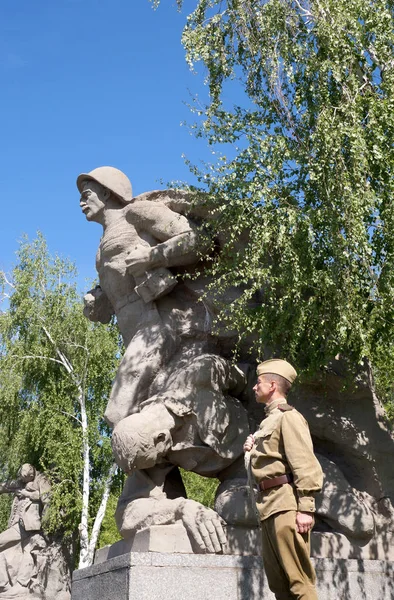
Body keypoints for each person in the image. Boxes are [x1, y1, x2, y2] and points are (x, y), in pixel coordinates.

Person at [77, 166, 205, 427]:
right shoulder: (101, 248)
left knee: (119, 415)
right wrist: (99, 302)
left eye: (86, 193)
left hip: (157, 325)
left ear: (106, 191)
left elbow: (198, 240)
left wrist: (153, 256)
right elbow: (119, 294)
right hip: (132, 335)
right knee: (139, 416)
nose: (81, 201)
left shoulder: (136, 213)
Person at [243, 359, 323, 600]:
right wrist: (250, 451)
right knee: (280, 587)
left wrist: (306, 508)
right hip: (267, 508)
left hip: (286, 507)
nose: (254, 387)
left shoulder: (289, 417)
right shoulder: (268, 421)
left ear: (273, 385)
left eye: (259, 382)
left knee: (299, 584)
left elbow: (305, 463)